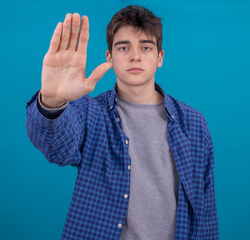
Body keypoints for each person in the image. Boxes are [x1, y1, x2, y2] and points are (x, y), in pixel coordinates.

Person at [25, 5, 219, 240]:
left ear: (160, 57)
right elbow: (57, 148)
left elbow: (205, 211)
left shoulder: (194, 123)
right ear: (110, 57)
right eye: (123, 47)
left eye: (146, 47)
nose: (135, 55)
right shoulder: (90, 113)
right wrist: (53, 101)